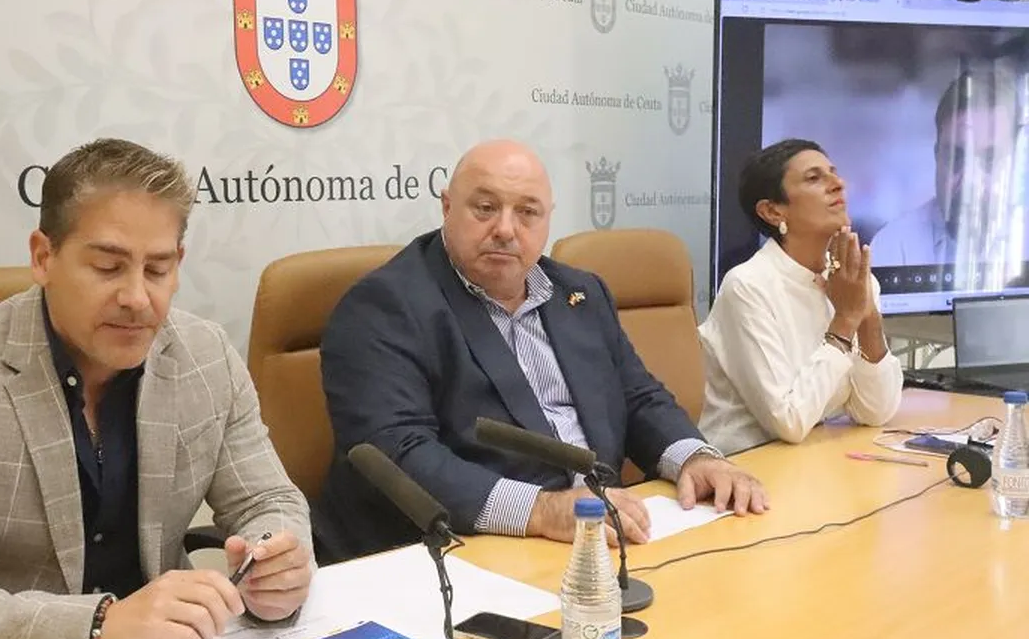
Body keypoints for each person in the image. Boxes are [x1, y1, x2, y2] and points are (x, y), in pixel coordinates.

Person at [0, 139, 314, 639]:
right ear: (43, 257)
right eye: (108, 268)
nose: (137, 298)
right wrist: (97, 626)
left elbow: (267, 499)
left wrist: (277, 561)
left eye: (157, 270)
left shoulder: (206, 356)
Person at [311, 139, 768, 564]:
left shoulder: (580, 293)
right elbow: (395, 452)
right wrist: (541, 510)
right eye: (485, 208)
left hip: (598, 537)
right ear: (447, 207)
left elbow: (637, 396)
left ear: (548, 219)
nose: (505, 229)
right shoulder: (383, 306)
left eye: (527, 212)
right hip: (456, 553)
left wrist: (696, 458)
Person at [697, 139, 903, 455]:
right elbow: (788, 421)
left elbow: (876, 412)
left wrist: (867, 315)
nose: (838, 184)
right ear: (772, 211)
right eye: (814, 178)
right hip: (746, 463)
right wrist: (845, 320)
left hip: (814, 457)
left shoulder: (850, 281)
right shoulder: (748, 286)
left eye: (834, 173)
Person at [869, 70, 1018, 267]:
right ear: (937, 156)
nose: (970, 180)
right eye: (956, 156)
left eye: (989, 159)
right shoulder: (893, 247)